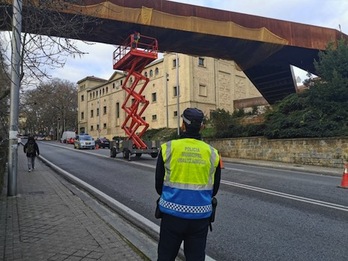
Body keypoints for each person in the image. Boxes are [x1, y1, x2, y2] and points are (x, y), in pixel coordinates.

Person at [155, 107, 221, 261]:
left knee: (165, 257)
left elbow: (159, 185)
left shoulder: (168, 148)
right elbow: (215, 189)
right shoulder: (212, 153)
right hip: (200, 217)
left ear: (183, 125)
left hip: (172, 216)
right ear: (202, 127)